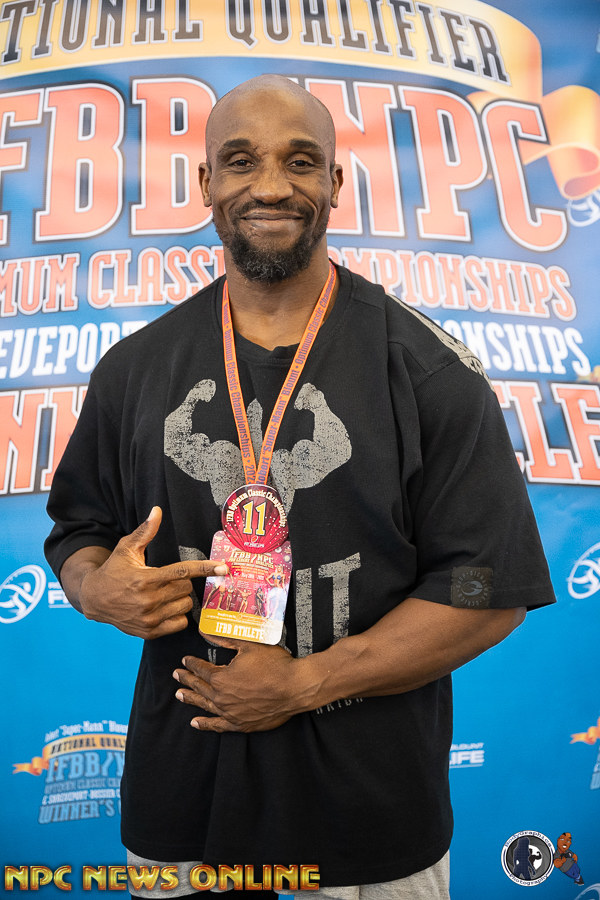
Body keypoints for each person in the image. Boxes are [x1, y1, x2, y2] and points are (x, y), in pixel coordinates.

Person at [45, 74, 555, 899]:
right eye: (241, 161)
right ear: (206, 182)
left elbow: (486, 590)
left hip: (372, 818)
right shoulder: (135, 369)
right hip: (184, 803)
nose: (273, 186)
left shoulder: (428, 371)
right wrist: (96, 587)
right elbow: (79, 533)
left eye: (301, 161)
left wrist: (306, 684)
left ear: (336, 183)